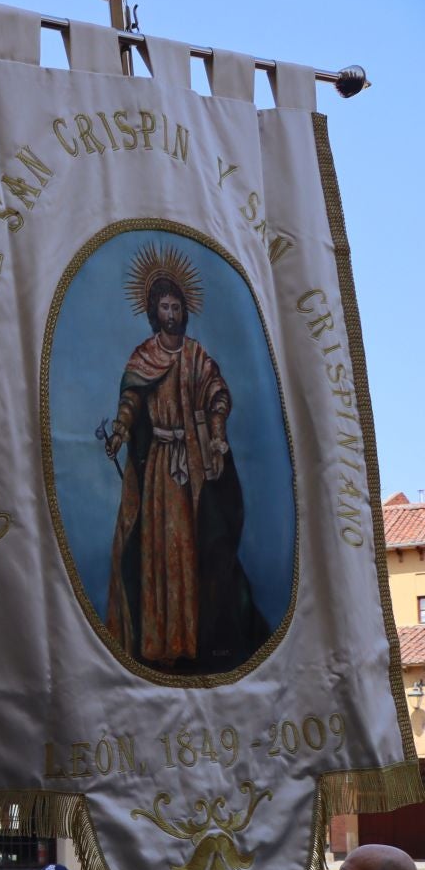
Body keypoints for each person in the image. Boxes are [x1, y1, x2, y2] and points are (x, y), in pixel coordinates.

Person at [102, 246, 267, 673]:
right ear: (154, 311)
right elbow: (130, 401)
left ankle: (195, 641)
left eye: (176, 306)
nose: (171, 312)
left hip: (193, 466)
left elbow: (218, 394)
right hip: (158, 467)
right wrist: (121, 430)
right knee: (158, 551)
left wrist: (215, 433)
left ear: (184, 310)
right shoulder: (143, 356)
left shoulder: (195, 355)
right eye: (164, 306)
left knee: (195, 551)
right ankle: (159, 644)